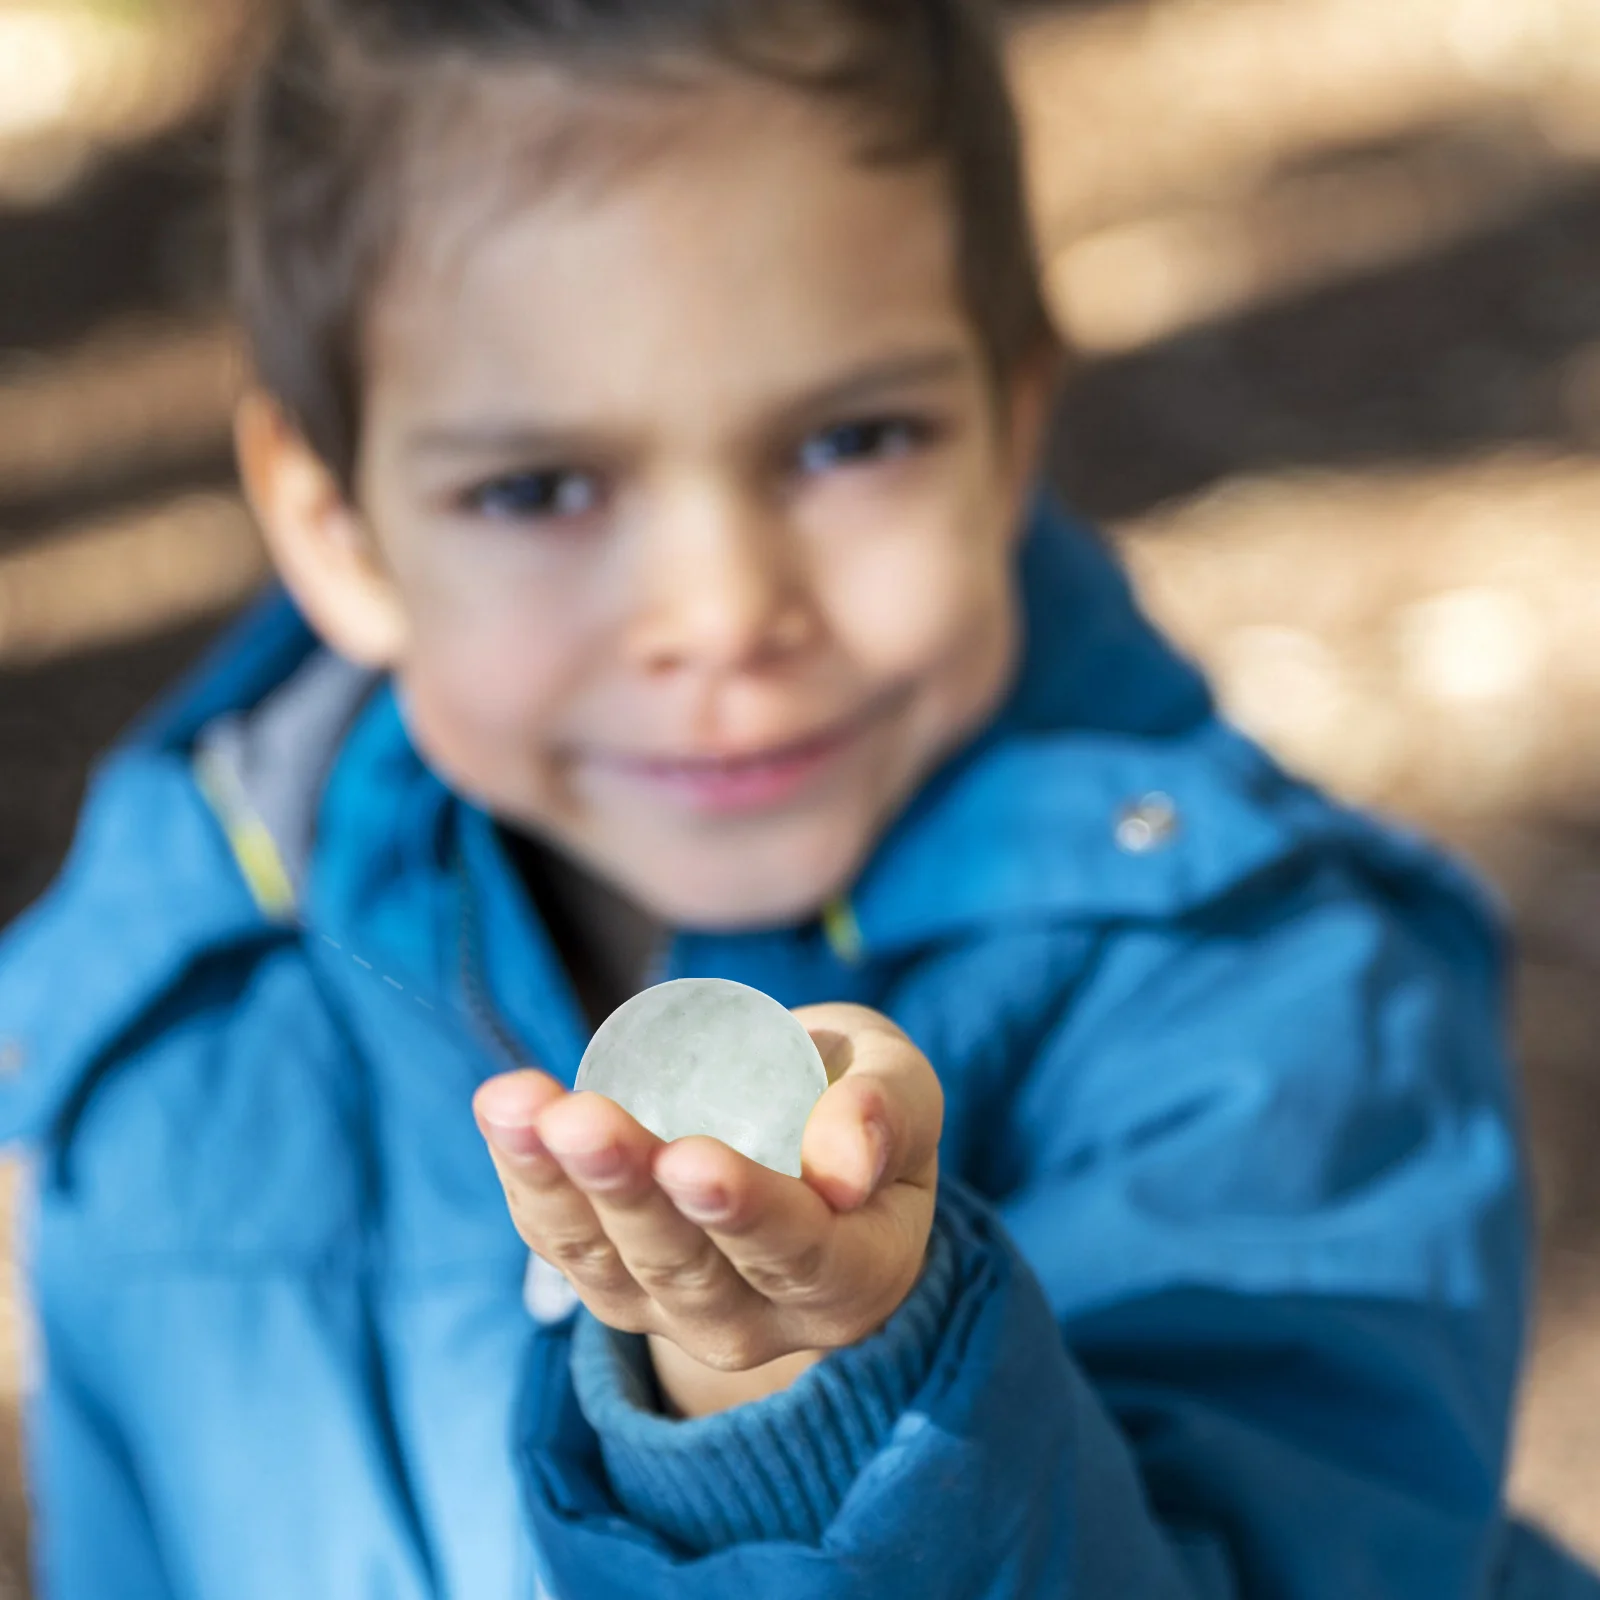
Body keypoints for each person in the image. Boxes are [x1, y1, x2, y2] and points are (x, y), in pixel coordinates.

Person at [0, 0, 1595, 1595]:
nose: (721, 608)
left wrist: (816, 1406)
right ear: (333, 526)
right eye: (539, 488)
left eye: (850, 440)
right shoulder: (179, 1033)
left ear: (1012, 425)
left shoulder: (1273, 1013)